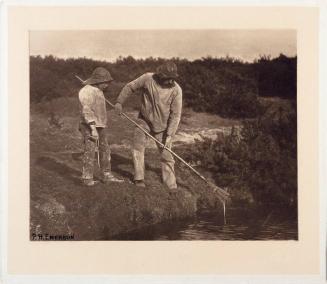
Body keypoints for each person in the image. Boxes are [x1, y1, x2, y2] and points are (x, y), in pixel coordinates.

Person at [114, 61, 182, 189]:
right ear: (160, 75)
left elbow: (176, 115)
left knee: (167, 155)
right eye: (167, 78)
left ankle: (171, 185)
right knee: (137, 147)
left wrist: (169, 135)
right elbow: (130, 87)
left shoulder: (176, 90)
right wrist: (119, 102)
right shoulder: (147, 78)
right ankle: (139, 178)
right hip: (144, 120)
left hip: (163, 126)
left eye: (172, 79)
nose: (170, 81)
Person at [78, 67, 123, 186]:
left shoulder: (98, 90)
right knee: (90, 150)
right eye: (106, 82)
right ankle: (87, 178)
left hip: (100, 125)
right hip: (89, 125)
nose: (107, 85)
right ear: (98, 81)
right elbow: (86, 111)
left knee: (105, 149)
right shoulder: (86, 91)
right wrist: (93, 129)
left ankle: (106, 175)